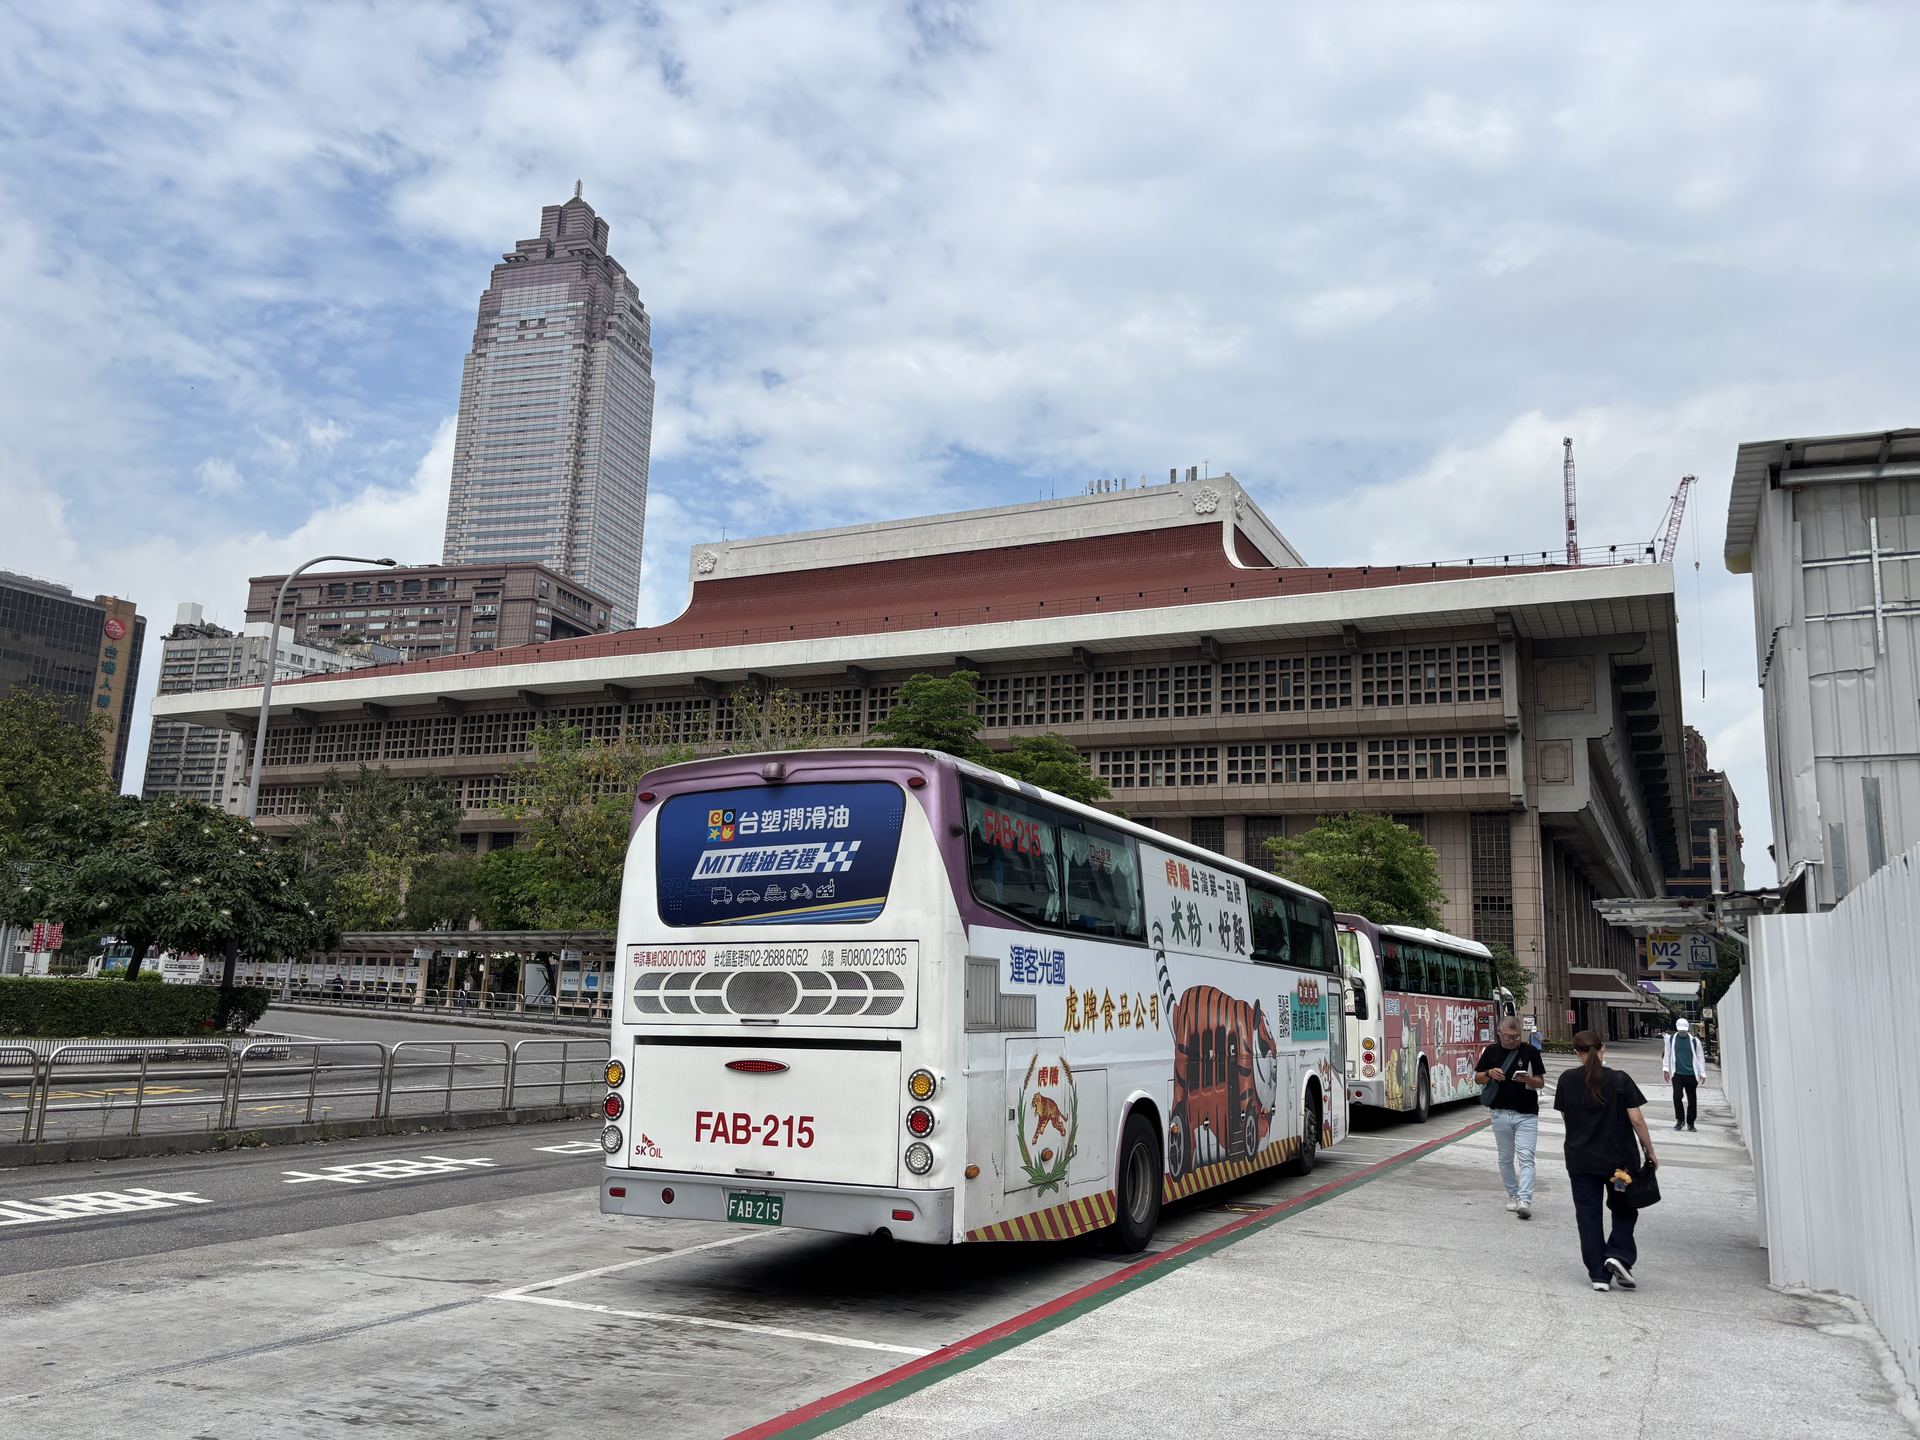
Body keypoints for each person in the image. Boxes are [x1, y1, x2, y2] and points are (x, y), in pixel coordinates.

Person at [1554, 1030, 1659, 1291]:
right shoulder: (1620, 1079)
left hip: (1580, 1159)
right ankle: (1618, 1254)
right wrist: (1650, 1151)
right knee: (1624, 1208)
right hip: (1619, 1163)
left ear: (1576, 1052)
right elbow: (1636, 1119)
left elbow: (1567, 1119)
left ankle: (1599, 1275)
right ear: (1603, 1049)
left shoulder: (1566, 1080)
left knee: (1588, 1215)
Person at [1474, 1016, 1548, 1218]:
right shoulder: (1491, 1051)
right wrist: (1490, 1073)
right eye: (1508, 1036)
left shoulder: (1530, 1051)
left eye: (1516, 1037)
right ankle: (1512, 1195)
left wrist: (1528, 1079)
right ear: (1500, 1033)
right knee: (1505, 1158)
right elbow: (1478, 1077)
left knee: (1526, 1157)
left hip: (1527, 1114)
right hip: (1500, 1113)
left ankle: (1525, 1199)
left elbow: (1540, 1082)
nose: (1512, 1040)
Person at [1663, 1017, 1706, 1131]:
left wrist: (1702, 1073)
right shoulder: (1671, 1039)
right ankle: (1680, 1120)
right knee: (1677, 1096)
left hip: (1691, 1074)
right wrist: (1666, 1069)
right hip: (1677, 1074)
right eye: (1681, 1030)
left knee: (1692, 1099)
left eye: (1684, 1030)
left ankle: (1690, 1123)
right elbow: (1667, 1054)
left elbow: (1700, 1057)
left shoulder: (1694, 1041)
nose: (1682, 1032)